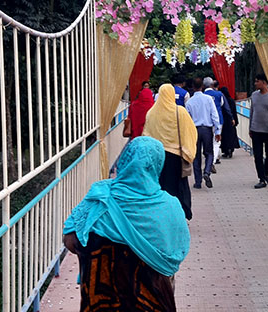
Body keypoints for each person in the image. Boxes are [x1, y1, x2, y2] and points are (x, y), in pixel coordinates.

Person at [63, 137, 190, 311]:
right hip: (152, 303)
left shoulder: (100, 197)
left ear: (124, 160)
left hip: (100, 302)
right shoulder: (170, 206)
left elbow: (70, 240)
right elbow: (174, 255)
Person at [143, 84, 198, 219]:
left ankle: (162, 215)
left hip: (157, 157)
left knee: (161, 186)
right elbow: (190, 131)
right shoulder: (180, 112)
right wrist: (188, 151)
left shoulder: (151, 113)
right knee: (178, 186)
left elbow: (146, 134)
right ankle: (180, 214)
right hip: (176, 156)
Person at [185, 77, 221, 189]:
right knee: (209, 153)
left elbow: (187, 119)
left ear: (192, 87)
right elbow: (214, 115)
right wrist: (218, 130)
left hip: (195, 130)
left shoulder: (189, 102)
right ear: (202, 87)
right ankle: (207, 171)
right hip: (207, 129)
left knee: (196, 156)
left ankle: (198, 182)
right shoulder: (209, 99)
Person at [204, 78, 232, 168]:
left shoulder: (202, 95)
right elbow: (225, 106)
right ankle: (213, 161)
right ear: (212, 85)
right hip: (218, 120)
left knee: (207, 141)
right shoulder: (219, 94)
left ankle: (209, 158)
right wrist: (231, 117)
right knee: (216, 141)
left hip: (206, 121)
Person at [219, 86, 239, 158]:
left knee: (224, 136)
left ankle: (226, 151)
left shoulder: (222, 100)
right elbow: (234, 111)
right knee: (231, 136)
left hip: (224, 120)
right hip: (231, 121)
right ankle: (231, 150)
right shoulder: (231, 100)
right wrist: (235, 121)